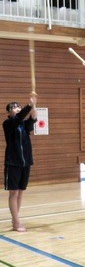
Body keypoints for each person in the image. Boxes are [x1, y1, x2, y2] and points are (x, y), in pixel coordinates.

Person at [3, 95, 37, 232]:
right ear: (9, 112)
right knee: (14, 193)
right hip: (13, 163)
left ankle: (15, 218)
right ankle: (16, 223)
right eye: (13, 107)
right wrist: (29, 106)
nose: (16, 108)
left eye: (18, 106)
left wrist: (34, 105)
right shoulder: (8, 124)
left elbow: (33, 118)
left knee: (21, 192)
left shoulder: (24, 125)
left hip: (26, 162)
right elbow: (19, 118)